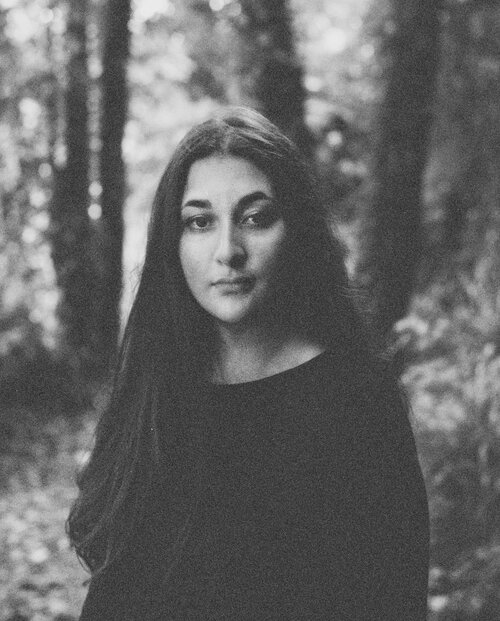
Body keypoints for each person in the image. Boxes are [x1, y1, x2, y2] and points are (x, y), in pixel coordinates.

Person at [68, 107, 429, 620]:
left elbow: (394, 601)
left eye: (256, 218)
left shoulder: (357, 403)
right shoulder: (154, 390)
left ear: (297, 230)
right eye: (199, 222)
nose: (227, 251)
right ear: (173, 244)